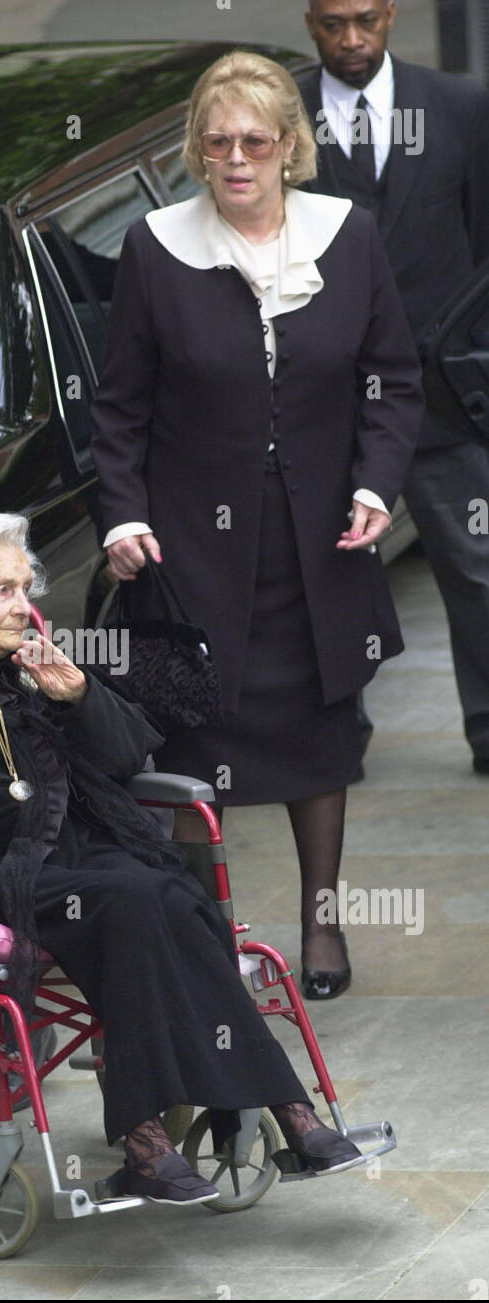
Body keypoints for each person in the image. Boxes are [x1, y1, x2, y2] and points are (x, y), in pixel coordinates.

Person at [0, 514, 366, 1204]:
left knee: (172, 891)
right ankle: (173, 1134)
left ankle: (280, 1113)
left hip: (78, 850)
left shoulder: (28, 658)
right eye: (2, 591)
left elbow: (128, 755)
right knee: (136, 897)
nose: (23, 606)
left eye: (26, 588)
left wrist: (77, 696)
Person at [90, 51, 424, 1002]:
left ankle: (323, 926)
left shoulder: (347, 237)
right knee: (195, 744)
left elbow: (393, 378)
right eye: (217, 141)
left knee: (321, 735)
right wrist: (123, 515)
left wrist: (374, 486)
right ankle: (212, 937)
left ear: (289, 146)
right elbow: (120, 408)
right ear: (198, 149)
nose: (236, 159)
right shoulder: (156, 246)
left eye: (254, 142)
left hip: (321, 544)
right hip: (192, 545)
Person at [299, 0, 489, 773]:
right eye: (334, 22)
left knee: (478, 568)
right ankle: (334, 738)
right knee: (323, 576)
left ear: (393, 15)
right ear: (308, 20)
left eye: (367, 20)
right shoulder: (280, 115)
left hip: (444, 397)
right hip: (321, 402)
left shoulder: (462, 108)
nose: (352, 39)